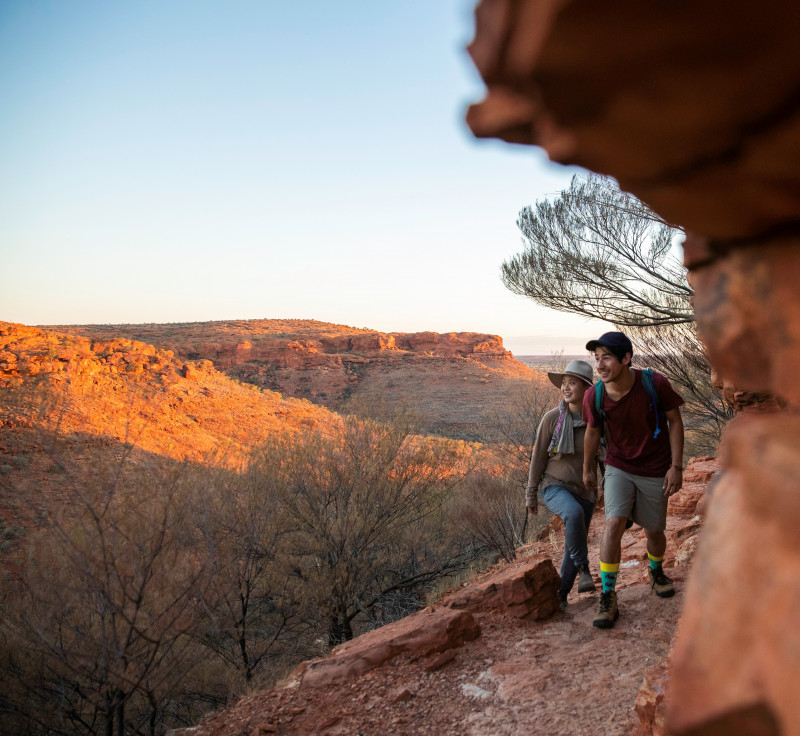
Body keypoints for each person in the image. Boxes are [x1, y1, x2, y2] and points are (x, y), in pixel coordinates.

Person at [582, 332, 684, 629]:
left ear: (626, 359)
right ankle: (608, 594)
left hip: (655, 466)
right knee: (614, 522)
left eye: (607, 358)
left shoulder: (655, 384)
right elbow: (592, 432)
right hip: (619, 466)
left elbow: (675, 421)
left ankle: (655, 570)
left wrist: (675, 467)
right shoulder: (594, 395)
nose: (600, 365)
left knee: (654, 530)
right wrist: (588, 468)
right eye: (596, 358)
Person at [526, 359, 599, 611]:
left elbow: (608, 456)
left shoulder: (596, 421)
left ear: (587, 388)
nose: (566, 388)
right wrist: (531, 494)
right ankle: (585, 568)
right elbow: (538, 458)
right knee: (573, 513)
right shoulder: (553, 418)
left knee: (572, 542)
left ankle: (561, 595)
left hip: (586, 491)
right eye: (564, 384)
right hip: (554, 485)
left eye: (572, 383)